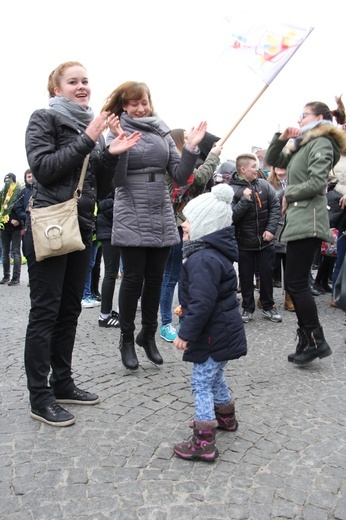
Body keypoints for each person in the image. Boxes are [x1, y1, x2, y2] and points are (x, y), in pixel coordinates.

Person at [23, 61, 141, 427]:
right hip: (51, 225)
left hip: (81, 226)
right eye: (73, 81)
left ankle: (62, 382)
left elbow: (104, 188)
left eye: (85, 80)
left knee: (70, 310)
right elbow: (44, 168)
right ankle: (39, 397)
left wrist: (112, 154)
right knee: (45, 312)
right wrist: (90, 138)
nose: (82, 86)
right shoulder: (44, 118)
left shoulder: (92, 126)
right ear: (56, 89)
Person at [101, 81, 207, 371]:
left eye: (144, 101)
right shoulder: (115, 129)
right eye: (134, 103)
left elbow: (181, 174)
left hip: (161, 210)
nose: (141, 107)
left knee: (156, 279)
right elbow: (117, 181)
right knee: (133, 278)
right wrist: (117, 146)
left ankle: (148, 334)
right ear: (124, 105)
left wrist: (192, 148)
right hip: (131, 207)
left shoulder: (162, 130)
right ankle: (125, 338)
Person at [265, 99, 346, 364]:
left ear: (320, 118)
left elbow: (316, 182)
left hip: (309, 218)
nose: (299, 120)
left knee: (297, 283)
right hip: (300, 218)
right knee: (295, 283)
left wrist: (288, 193)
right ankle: (308, 340)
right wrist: (281, 138)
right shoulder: (303, 143)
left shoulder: (322, 143)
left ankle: (315, 340)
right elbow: (273, 161)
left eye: (304, 115)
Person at [172, 184, 247, 462]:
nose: (184, 227)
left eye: (189, 222)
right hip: (223, 330)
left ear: (205, 225)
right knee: (215, 376)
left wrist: (186, 332)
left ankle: (203, 440)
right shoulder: (211, 253)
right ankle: (226, 417)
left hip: (213, 333)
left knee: (201, 382)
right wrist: (187, 305)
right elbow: (206, 296)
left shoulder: (202, 258)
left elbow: (204, 304)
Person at [159, 128, 222, 342]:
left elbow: (201, 182)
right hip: (173, 225)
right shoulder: (172, 166)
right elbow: (198, 178)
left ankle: (185, 319)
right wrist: (214, 155)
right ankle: (166, 322)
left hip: (188, 226)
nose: (190, 141)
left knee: (187, 277)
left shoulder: (182, 164)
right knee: (171, 276)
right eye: (186, 139)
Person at [228, 153, 281, 324]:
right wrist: (245, 200)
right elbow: (231, 217)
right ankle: (247, 308)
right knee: (245, 276)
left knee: (267, 275)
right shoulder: (233, 190)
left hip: (266, 241)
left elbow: (275, 207)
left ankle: (268, 307)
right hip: (244, 243)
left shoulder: (265, 185)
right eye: (253, 166)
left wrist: (271, 230)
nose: (257, 170)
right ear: (243, 169)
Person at [267, 166, 295, 312]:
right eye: (276, 165)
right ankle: (266, 299)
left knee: (290, 267)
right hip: (273, 230)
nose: (280, 168)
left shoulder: (295, 181)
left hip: (291, 228)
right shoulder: (268, 183)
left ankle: (289, 299)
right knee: (270, 268)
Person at [96, 188, 121, 328]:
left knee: (111, 274)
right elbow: (102, 205)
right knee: (110, 274)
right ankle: (104, 316)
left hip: (112, 230)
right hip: (110, 231)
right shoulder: (109, 180)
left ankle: (107, 313)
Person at [0, 173, 22, 285]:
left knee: (16, 252)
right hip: (4, 227)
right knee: (5, 253)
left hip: (16, 228)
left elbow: (21, 209)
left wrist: (18, 220)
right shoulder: (2, 195)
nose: (6, 183)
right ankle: (6, 276)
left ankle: (16, 278)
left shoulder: (19, 193)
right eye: (5, 181)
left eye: (8, 181)